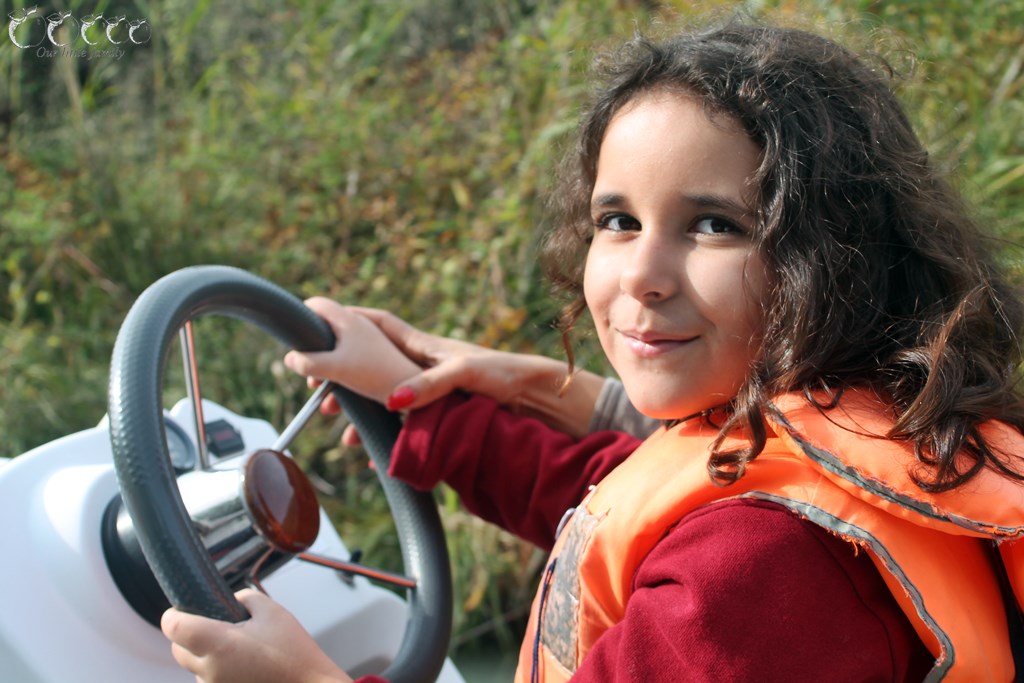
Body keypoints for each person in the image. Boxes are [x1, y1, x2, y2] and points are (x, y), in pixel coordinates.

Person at [160, 17, 1024, 682]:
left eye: (713, 225)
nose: (641, 274)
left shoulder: (762, 566)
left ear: (836, 259)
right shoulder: (855, 437)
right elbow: (604, 492)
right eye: (618, 220)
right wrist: (417, 403)